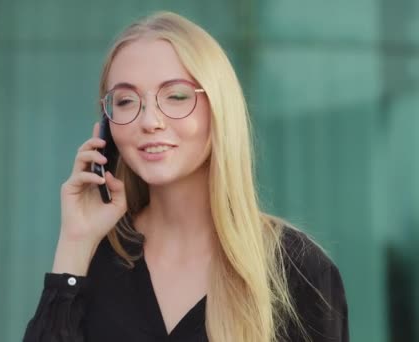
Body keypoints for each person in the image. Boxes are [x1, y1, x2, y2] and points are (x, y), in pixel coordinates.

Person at [23, 11, 348, 342]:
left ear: (218, 109)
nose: (150, 121)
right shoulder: (92, 263)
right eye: (125, 101)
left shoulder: (296, 271)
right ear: (107, 125)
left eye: (176, 96)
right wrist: (75, 243)